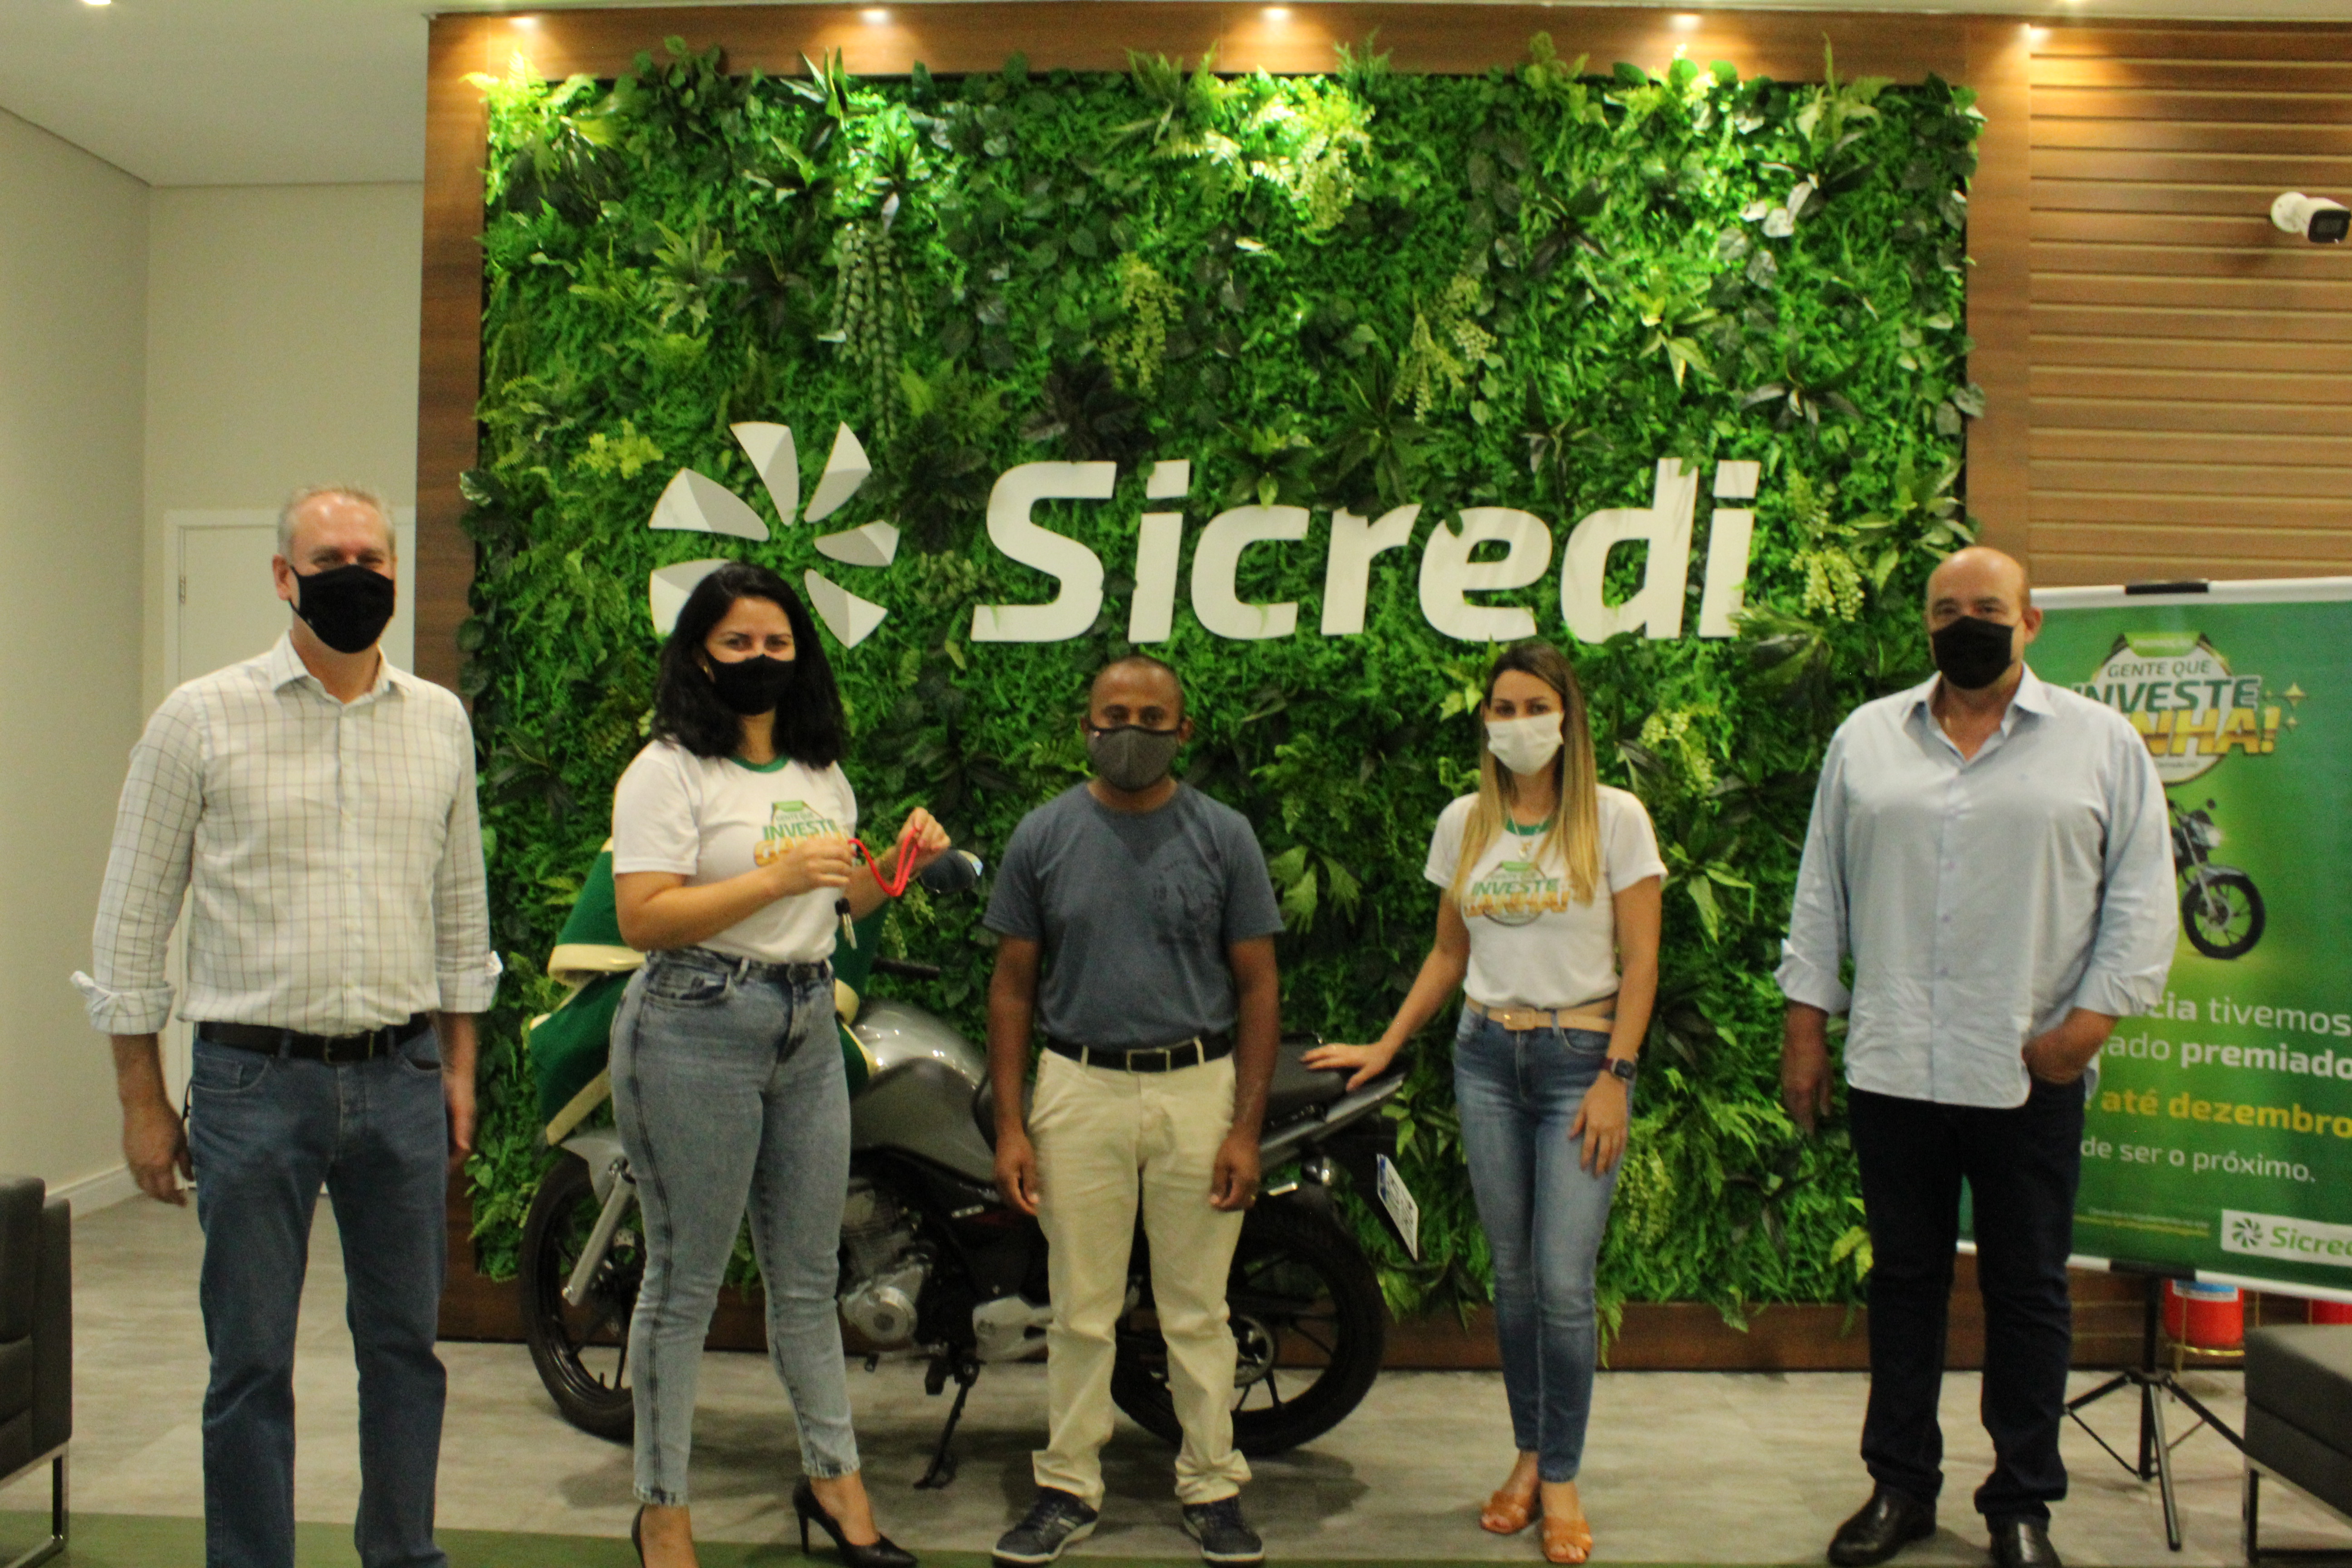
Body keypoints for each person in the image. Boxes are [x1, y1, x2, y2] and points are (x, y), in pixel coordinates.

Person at [74, 485, 500, 1568]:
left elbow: (463, 913)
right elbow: (132, 922)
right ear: (283, 577)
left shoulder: (439, 722)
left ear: (396, 573)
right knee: (251, 1363)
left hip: (401, 1076)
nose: (354, 575)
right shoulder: (199, 719)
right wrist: (141, 1102)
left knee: (405, 1351)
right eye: (329, 558)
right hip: (251, 1085)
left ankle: (402, 1552)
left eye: (372, 558)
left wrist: (458, 1068)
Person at [1777, 547, 2178, 1568]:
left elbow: (2142, 900)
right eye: (1948, 609)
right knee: (1904, 1285)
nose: (1968, 624)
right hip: (1894, 1065)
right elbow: (1821, 894)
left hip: (2028, 1069)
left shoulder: (2101, 743)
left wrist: (2087, 1030)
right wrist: (1805, 1028)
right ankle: (1900, 1488)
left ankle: (2021, 1505)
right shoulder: (1867, 740)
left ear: (2031, 621)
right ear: (1926, 625)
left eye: (1989, 607)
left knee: (2029, 1291)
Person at [608, 562, 947, 1568]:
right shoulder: (668, 770)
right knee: (684, 1284)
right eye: (737, 644)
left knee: (806, 1278)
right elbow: (644, 918)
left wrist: (898, 868)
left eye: (777, 644)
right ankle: (662, 1512)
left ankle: (836, 1485)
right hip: (693, 1021)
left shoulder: (819, 774)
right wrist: (774, 877)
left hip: (805, 1021)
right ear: (699, 656)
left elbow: (836, 906)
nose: (760, 659)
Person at [1306, 640, 1661, 1567]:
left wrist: (1616, 1078)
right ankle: (1530, 1455)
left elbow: (1642, 964)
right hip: (1486, 1059)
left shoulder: (1617, 819)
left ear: (1568, 715)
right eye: (1502, 708)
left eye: (1535, 706)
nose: (1518, 723)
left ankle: (1563, 1476)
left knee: (1564, 1283)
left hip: (1581, 1061)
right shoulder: (1465, 821)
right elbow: (1448, 954)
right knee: (1513, 1279)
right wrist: (1387, 1043)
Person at [984, 655, 1284, 1568]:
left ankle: (1213, 1485)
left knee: (1198, 1311)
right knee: (1081, 1311)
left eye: (1153, 719)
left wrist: (1245, 1129)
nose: (1131, 733)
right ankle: (1067, 1488)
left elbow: (1259, 986)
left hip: (1199, 1088)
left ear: (1182, 732)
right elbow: (1012, 987)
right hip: (1079, 1089)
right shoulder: (1044, 835)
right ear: (1087, 725)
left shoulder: (1224, 835)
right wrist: (1013, 1125)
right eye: (1114, 715)